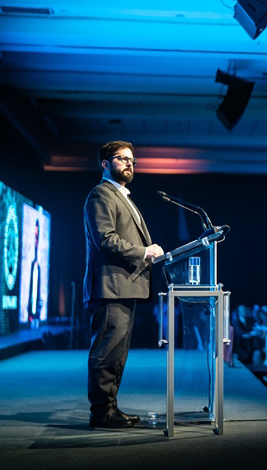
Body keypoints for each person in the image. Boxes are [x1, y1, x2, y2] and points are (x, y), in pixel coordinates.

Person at [84, 141, 164, 429]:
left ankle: (109, 409)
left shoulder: (122, 196)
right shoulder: (101, 195)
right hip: (110, 285)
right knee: (107, 350)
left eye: (132, 160)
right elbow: (104, 238)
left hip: (125, 285)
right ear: (105, 164)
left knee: (116, 352)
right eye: (122, 159)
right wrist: (144, 251)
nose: (129, 164)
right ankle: (101, 412)